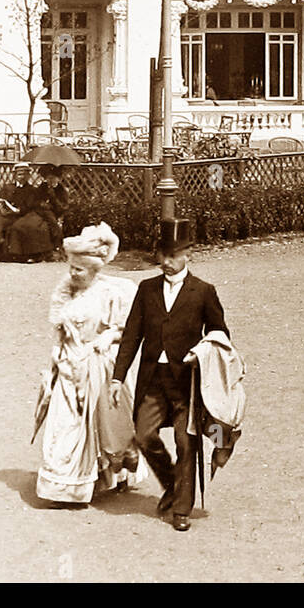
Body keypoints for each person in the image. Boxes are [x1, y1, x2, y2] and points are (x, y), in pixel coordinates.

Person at [112, 218, 229, 533]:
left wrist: (202, 352)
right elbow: (131, 337)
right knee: (144, 434)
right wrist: (117, 377)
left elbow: (220, 335)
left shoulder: (204, 292)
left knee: (185, 442)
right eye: (162, 254)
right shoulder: (146, 289)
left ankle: (181, 508)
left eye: (174, 254)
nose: (166, 261)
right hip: (153, 378)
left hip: (187, 382)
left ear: (188, 253)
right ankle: (172, 484)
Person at [36, 222, 145, 505]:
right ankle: (64, 486)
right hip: (68, 366)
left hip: (95, 364)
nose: (73, 274)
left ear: (95, 270)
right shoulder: (65, 291)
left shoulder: (113, 292)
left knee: (103, 424)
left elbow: (125, 329)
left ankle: (110, 473)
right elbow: (59, 328)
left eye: (79, 269)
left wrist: (107, 337)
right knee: (65, 425)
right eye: (71, 267)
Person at [7, 164, 69, 262]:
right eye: (48, 178)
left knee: (37, 228)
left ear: (58, 179)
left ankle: (35, 255)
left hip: (51, 215)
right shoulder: (43, 187)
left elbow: (62, 208)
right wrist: (40, 203)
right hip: (37, 212)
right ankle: (18, 254)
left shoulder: (61, 190)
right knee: (19, 225)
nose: (50, 181)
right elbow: (34, 201)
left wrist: (53, 198)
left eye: (53, 178)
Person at [0, 162, 35, 264]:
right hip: (4, 215)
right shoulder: (7, 187)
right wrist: (0, 206)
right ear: (14, 175)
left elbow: (28, 207)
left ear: (28, 176)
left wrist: (16, 210)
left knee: (0, 223)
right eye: (19, 174)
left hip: (19, 216)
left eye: (24, 174)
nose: (22, 177)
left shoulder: (31, 190)